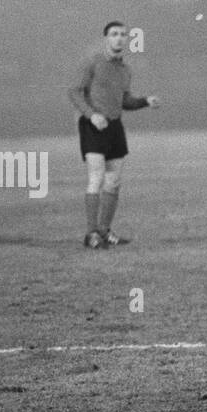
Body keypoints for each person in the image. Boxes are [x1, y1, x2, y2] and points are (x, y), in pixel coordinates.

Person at [67, 21, 160, 249]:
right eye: (114, 34)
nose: (119, 38)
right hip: (94, 126)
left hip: (115, 127)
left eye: (122, 35)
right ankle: (91, 234)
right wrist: (91, 115)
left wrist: (145, 101)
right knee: (96, 178)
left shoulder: (125, 70)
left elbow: (124, 101)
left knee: (114, 181)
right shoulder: (93, 63)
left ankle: (105, 230)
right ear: (106, 38)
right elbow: (75, 91)